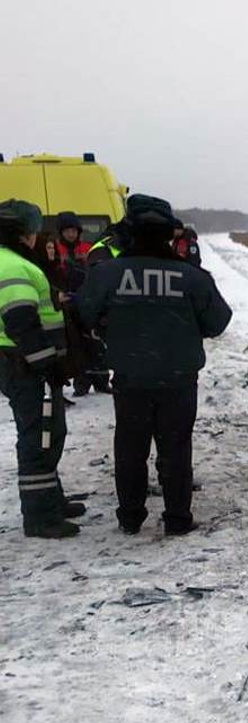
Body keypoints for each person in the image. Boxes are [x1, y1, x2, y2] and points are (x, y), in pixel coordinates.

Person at [78, 194, 232, 536]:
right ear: (168, 233)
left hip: (131, 378)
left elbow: (83, 313)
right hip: (178, 379)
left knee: (130, 449)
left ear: (130, 230)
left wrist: (108, 327)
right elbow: (218, 321)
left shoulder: (108, 274)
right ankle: (177, 519)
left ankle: (130, 517)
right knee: (176, 449)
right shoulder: (192, 277)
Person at [0, 199, 84, 538]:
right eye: (34, 229)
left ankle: (51, 499)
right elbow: (21, 321)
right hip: (23, 365)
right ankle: (40, 517)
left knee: (50, 430)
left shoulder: (11, 261)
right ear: (23, 232)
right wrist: (46, 363)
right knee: (39, 437)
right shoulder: (14, 266)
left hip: (22, 362)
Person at [53, 212, 110, 395]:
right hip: (67, 305)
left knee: (96, 343)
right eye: (67, 231)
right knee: (77, 346)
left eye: (74, 230)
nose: (71, 234)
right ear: (61, 232)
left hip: (88, 302)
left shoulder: (88, 248)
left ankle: (101, 380)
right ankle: (81, 382)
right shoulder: (55, 249)